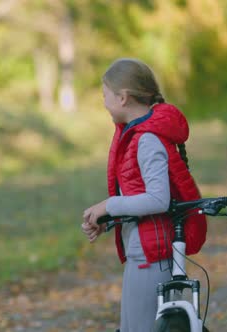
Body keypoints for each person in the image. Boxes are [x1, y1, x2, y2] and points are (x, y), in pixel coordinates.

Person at [81, 58, 206, 332]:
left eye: (105, 95)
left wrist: (109, 205)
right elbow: (139, 197)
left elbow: (158, 199)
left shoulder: (147, 140)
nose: (103, 102)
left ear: (123, 97)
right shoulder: (136, 135)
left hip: (151, 255)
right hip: (143, 252)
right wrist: (108, 219)